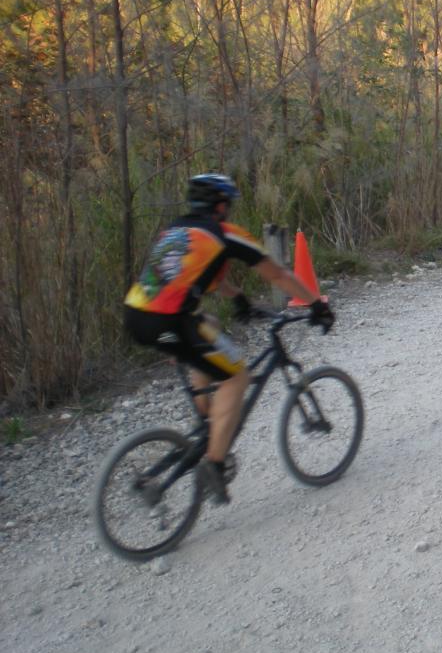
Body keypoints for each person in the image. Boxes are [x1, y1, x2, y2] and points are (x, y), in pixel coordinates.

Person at [124, 174, 334, 504]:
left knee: (206, 325)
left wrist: (237, 297)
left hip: (139, 317)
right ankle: (214, 463)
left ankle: (207, 418)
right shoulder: (224, 234)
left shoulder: (176, 231)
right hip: (171, 321)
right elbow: (278, 274)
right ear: (221, 206)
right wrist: (317, 305)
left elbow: (197, 275)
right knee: (237, 377)